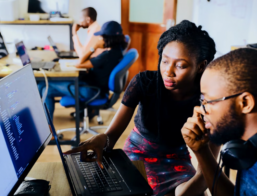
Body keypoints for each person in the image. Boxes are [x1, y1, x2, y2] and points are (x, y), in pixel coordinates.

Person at [64, 20, 218, 196]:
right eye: (165, 61)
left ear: (201, 66)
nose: (168, 72)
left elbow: (208, 170)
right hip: (138, 154)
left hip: (177, 160)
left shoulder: (210, 102)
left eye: (180, 65)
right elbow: (111, 138)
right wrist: (102, 140)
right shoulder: (144, 83)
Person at [181, 48, 257, 196]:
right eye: (202, 100)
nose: (201, 110)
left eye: (209, 101)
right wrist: (201, 151)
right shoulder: (247, 146)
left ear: (245, 103)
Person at [39, 21, 127, 120]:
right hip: (95, 88)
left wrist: (93, 47)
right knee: (46, 90)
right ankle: (48, 126)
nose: (99, 39)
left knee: (43, 85)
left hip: (91, 91)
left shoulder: (107, 56)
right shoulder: (117, 52)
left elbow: (79, 64)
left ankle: (43, 124)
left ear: (108, 38)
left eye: (101, 37)